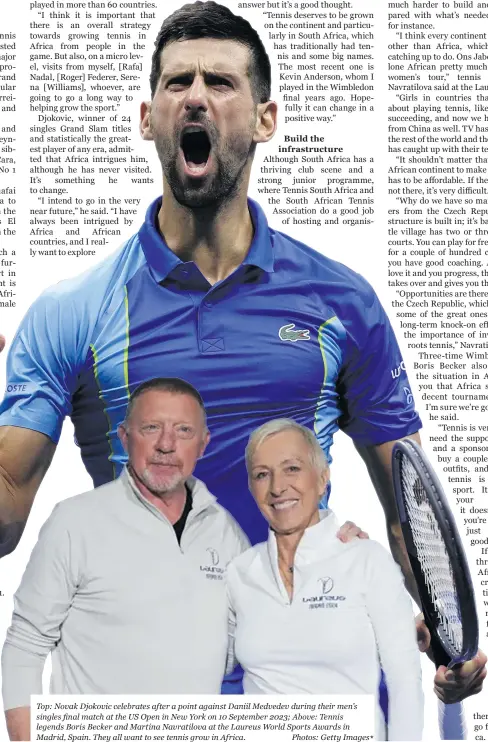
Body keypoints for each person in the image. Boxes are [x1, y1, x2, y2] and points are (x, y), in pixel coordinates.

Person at [0, 1, 484, 699]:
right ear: (148, 119)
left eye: (221, 83)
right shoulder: (70, 313)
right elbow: (8, 513)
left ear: (265, 118)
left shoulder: (343, 304)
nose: (196, 95)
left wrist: (445, 629)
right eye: (177, 82)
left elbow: (405, 502)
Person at [1, 378, 250, 741]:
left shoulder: (226, 533)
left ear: (203, 443)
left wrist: (335, 548)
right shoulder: (75, 522)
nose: (166, 445)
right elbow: (26, 644)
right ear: (124, 436)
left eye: (183, 431)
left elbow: (247, 644)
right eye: (151, 428)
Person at [227, 419, 424, 741]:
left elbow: (405, 681)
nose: (277, 487)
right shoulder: (239, 572)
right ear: (251, 488)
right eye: (262, 474)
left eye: (292, 468)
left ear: (322, 479)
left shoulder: (366, 560)